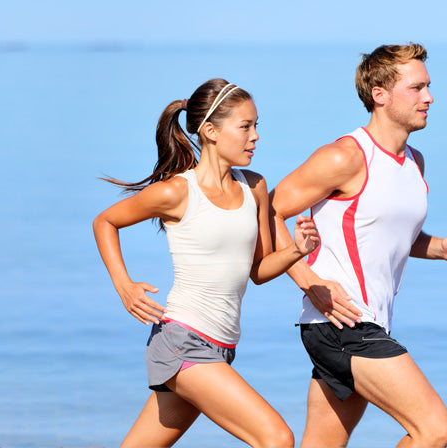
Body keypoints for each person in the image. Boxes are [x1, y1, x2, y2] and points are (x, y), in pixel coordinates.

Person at [269, 43, 447, 448]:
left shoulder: (414, 161)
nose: (429, 97)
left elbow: (379, 232)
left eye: (429, 87)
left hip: (359, 323)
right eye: (416, 88)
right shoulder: (345, 157)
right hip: (345, 324)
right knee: (434, 429)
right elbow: (266, 211)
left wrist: (438, 248)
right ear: (379, 94)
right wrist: (307, 280)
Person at [93, 78, 317, 447]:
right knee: (276, 438)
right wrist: (124, 286)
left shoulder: (254, 187)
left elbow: (257, 271)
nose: (255, 136)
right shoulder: (178, 192)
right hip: (183, 342)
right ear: (210, 131)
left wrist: (296, 250)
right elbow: (105, 221)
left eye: (256, 125)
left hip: (221, 346)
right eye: (245, 126)